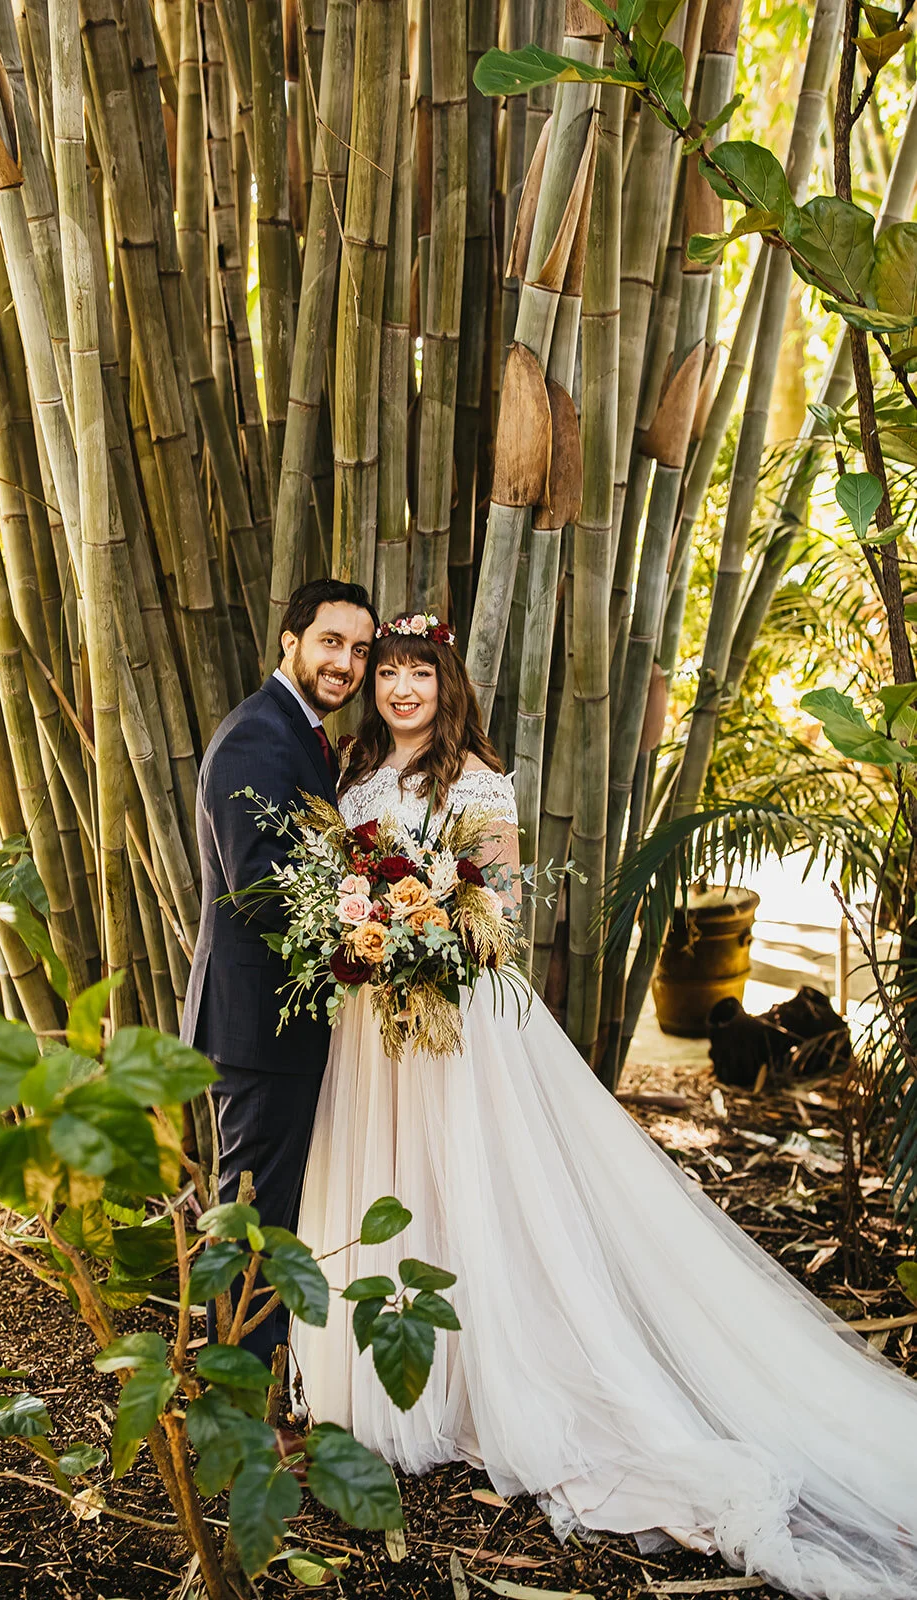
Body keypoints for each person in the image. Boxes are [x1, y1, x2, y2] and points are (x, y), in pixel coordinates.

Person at [293, 614, 917, 1600]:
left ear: (446, 684)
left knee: (473, 1183)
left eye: (419, 674)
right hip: (373, 1033)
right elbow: (339, 894)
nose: (401, 690)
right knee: (395, 1184)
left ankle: (493, 1365)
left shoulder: (478, 782)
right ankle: (412, 1375)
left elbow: (496, 915)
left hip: (458, 1025)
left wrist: (429, 937)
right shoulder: (352, 776)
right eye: (389, 673)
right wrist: (359, 935)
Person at [182, 578, 378, 1360]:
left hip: (277, 1021)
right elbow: (262, 887)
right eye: (331, 642)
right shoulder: (259, 735)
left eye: (359, 650)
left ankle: (254, 1378)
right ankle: (238, 1392)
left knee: (268, 1208)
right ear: (289, 641)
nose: (346, 664)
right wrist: (371, 915)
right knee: (253, 1214)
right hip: (257, 1024)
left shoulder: (298, 732)